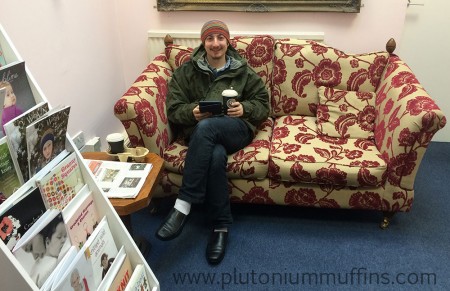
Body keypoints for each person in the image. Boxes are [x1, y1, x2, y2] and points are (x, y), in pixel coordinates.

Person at [155, 20, 269, 265]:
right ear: (202, 42)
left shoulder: (243, 70)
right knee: (215, 155)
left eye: (220, 38)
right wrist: (192, 113)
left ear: (228, 41)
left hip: (236, 130)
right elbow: (174, 109)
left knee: (208, 129)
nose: (215, 44)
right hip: (202, 136)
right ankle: (221, 228)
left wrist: (244, 108)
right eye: (210, 38)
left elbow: (263, 105)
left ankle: (183, 204)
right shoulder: (186, 72)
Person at [29, 216, 69, 287]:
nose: (63, 240)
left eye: (65, 236)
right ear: (47, 242)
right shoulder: (49, 264)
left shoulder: (43, 261)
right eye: (59, 237)